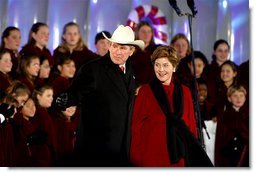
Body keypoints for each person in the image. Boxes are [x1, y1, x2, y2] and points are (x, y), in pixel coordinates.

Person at [55, 25, 144, 166]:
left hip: (122, 146)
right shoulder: (93, 68)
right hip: (96, 148)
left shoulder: (131, 71)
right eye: (115, 46)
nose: (117, 52)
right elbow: (77, 92)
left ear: (131, 51)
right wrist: (67, 99)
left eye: (123, 48)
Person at [130, 45, 213, 167]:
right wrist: (136, 159)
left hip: (179, 157)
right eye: (157, 64)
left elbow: (190, 126)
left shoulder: (185, 92)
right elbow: (136, 126)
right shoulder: (145, 91)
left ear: (174, 67)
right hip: (150, 157)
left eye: (165, 65)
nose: (160, 69)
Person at [214, 85, 249, 167]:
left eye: (241, 95)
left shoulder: (249, 115)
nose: (238, 98)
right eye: (235, 96)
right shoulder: (223, 116)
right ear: (229, 98)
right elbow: (220, 139)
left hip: (246, 155)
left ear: (245, 98)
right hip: (228, 157)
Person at [131, 21, 159, 88]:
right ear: (137, 33)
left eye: (149, 32)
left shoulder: (157, 50)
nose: (146, 34)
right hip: (134, 88)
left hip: (152, 87)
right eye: (143, 31)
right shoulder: (131, 50)